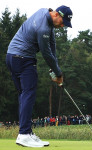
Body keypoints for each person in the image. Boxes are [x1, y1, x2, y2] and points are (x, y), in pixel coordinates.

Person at [6, 5, 73, 147]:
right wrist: (59, 74)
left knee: (24, 95)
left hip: (12, 56)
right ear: (56, 15)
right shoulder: (43, 29)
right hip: (23, 59)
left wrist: (55, 69)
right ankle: (24, 134)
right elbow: (46, 53)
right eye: (62, 22)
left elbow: (52, 44)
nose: (62, 26)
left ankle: (26, 132)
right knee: (29, 93)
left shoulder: (44, 12)